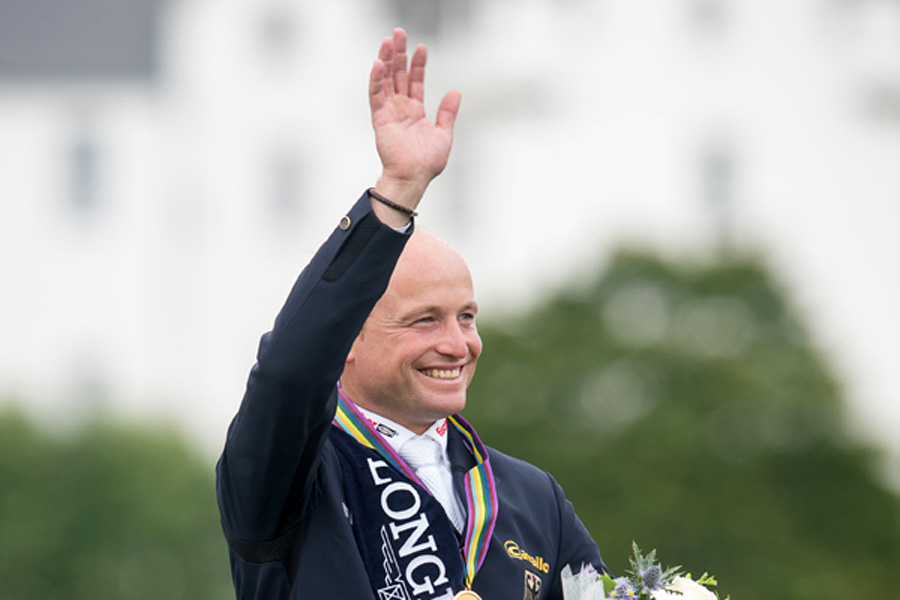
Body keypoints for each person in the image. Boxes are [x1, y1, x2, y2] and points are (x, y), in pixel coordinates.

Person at [216, 28, 608, 600]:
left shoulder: (532, 496)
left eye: (466, 317)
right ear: (346, 339)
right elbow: (287, 374)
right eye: (425, 320)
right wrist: (397, 191)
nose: (457, 344)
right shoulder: (293, 474)